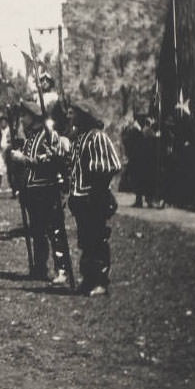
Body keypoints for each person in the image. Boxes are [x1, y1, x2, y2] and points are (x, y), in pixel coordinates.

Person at [10, 102, 72, 285]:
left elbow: (51, 161)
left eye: (25, 115)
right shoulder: (31, 137)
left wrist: (24, 159)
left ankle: (62, 269)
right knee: (37, 230)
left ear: (34, 117)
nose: (22, 119)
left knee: (55, 230)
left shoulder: (49, 135)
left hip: (48, 189)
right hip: (33, 191)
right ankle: (39, 268)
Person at [66, 101, 121, 296]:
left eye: (73, 113)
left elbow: (111, 165)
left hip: (94, 196)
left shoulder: (97, 137)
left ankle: (101, 281)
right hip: (80, 198)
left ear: (83, 115)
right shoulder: (78, 138)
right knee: (86, 240)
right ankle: (88, 278)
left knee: (97, 239)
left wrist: (96, 191)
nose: (69, 117)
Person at [0, 115, 12, 191]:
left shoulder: (10, 130)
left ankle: (9, 186)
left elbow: (11, 141)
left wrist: (7, 148)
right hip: (1, 151)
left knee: (8, 169)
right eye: (1, 122)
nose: (2, 123)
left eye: (4, 122)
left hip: (8, 150)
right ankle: (0, 186)